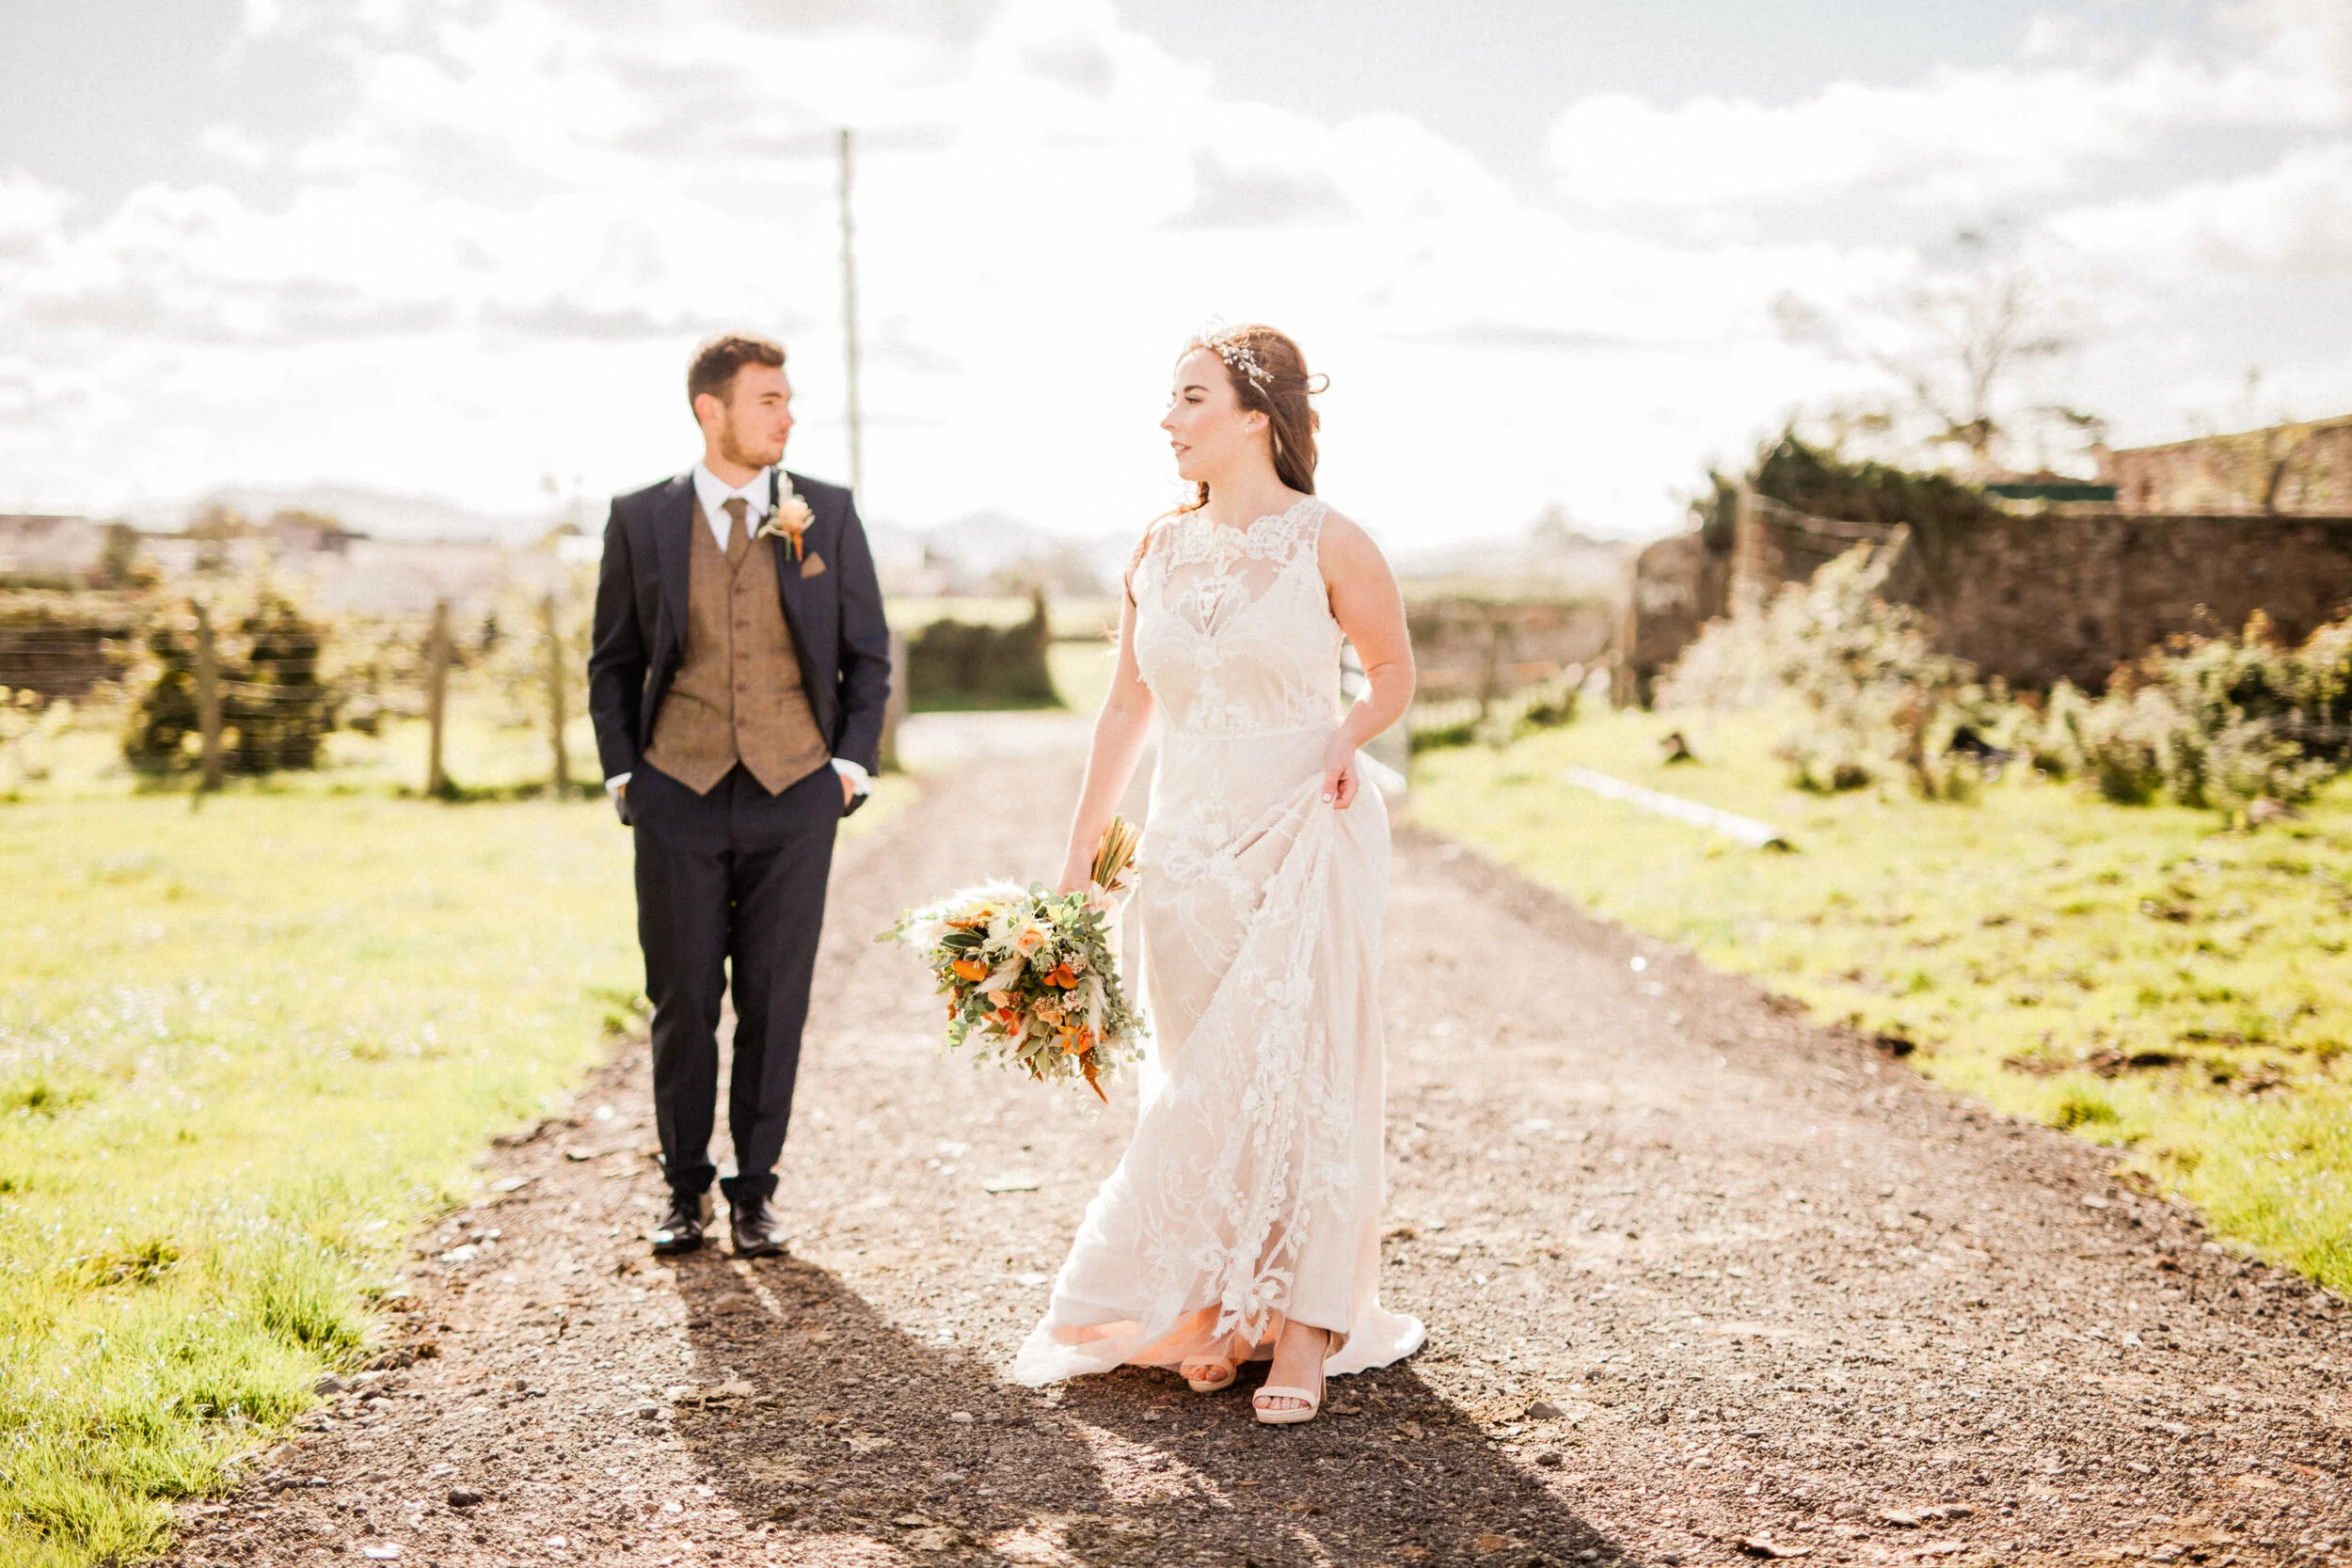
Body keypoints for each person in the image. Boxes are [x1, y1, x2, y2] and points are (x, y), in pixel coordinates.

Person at [1009, 324, 1425, 1423]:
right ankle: (1223, 1305)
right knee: (1206, 1084)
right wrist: (1078, 862)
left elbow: (1390, 672)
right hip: (1184, 853)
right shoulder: (1155, 548)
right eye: (1170, 398)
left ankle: (1306, 1325)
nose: (1168, 419)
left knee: (1306, 1072)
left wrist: (1348, 736)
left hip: (1303, 830)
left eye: (1191, 397)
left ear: (1255, 414)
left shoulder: (1331, 540)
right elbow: (1124, 708)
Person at [587, 332, 890, 1259]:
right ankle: (684, 1189)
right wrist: (627, 775)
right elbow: (613, 659)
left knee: (774, 997)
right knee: (681, 997)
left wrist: (847, 766)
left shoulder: (825, 512)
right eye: (769, 400)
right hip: (675, 791)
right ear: (709, 410)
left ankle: (755, 1190)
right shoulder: (640, 517)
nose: (788, 416)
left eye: (788, 399)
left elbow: (869, 652)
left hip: (795, 791)